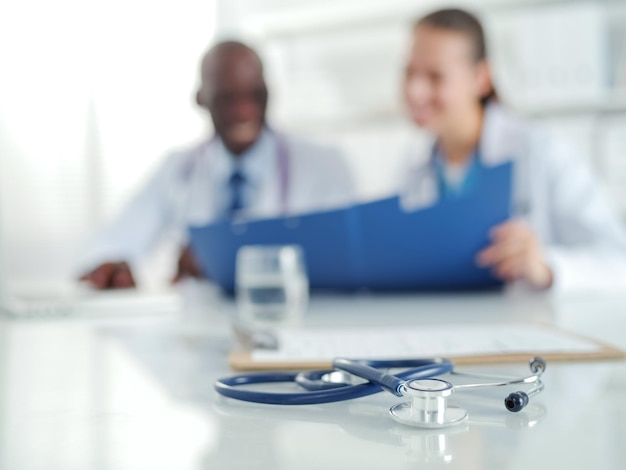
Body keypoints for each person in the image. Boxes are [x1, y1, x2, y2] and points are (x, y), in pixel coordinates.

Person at [80, 41, 354, 289]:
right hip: (202, 329)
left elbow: (347, 255)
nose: (245, 111)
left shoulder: (322, 165)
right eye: (227, 99)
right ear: (201, 98)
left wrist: (221, 258)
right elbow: (117, 240)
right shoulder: (178, 169)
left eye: (255, 96)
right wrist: (111, 267)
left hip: (296, 321)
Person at [400, 8, 626, 292]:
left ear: (481, 78)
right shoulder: (414, 166)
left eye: (435, 76)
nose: (414, 90)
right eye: (409, 72)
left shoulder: (541, 151)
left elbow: (620, 262)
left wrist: (546, 265)